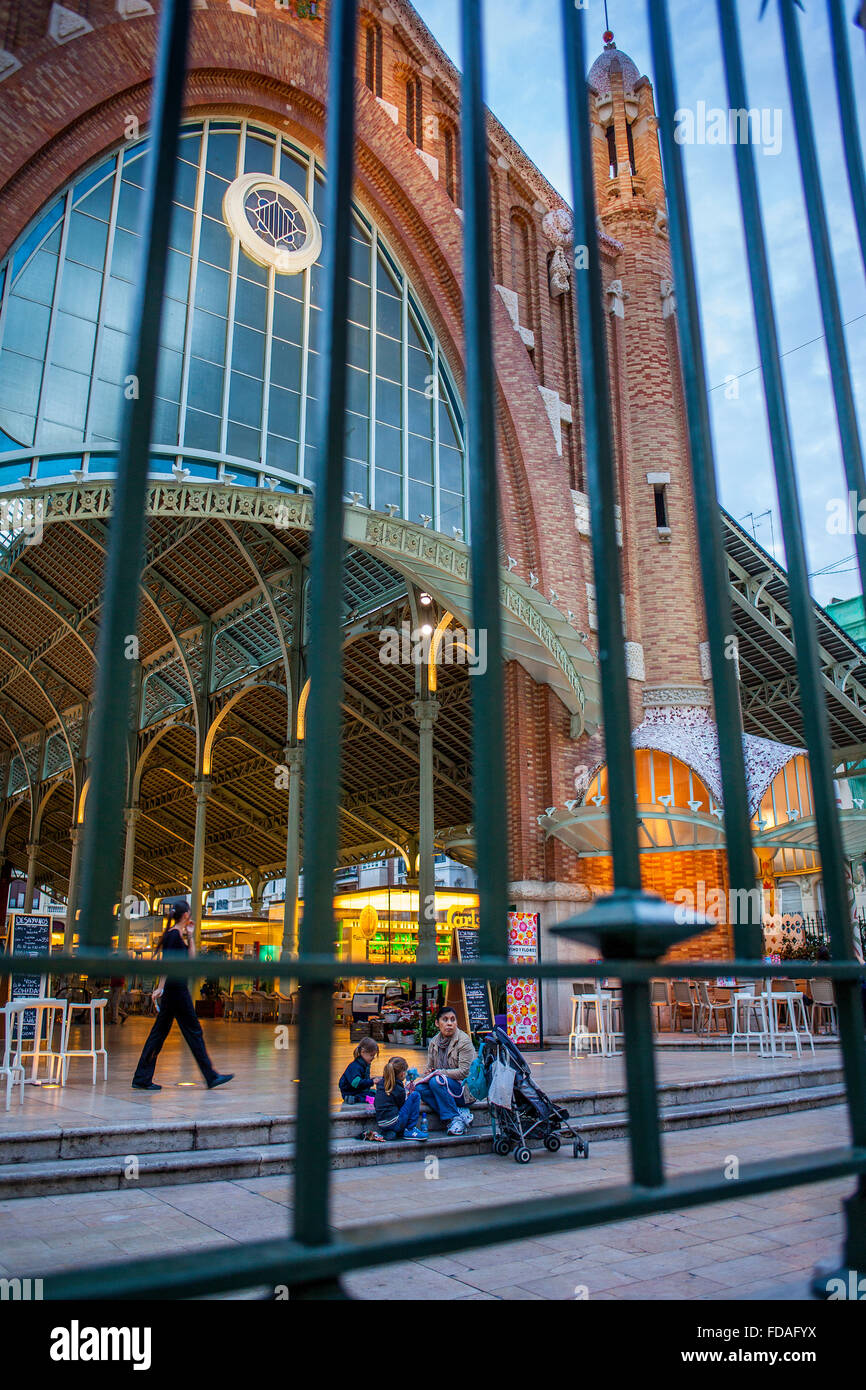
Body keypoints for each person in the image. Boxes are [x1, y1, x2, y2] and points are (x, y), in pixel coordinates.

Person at [131, 903, 233, 1092]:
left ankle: (142, 1077)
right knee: (193, 1032)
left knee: (159, 1035)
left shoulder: (177, 935)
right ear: (186, 914)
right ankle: (210, 1076)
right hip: (176, 990)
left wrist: (191, 935)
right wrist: (160, 988)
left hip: (174, 991)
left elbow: (190, 960)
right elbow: (167, 965)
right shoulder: (172, 936)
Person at [415, 1005, 476, 1136]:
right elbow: (429, 1068)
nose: (449, 1023)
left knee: (436, 1081)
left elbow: (464, 1072)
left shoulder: (463, 1041)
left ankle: (453, 1118)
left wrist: (439, 1073)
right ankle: (458, 1113)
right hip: (443, 1085)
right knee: (419, 1089)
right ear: (437, 1023)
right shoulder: (434, 1042)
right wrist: (429, 1072)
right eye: (445, 1020)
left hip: (464, 1089)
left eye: (453, 1020)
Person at [372, 1056, 427, 1141]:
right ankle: (410, 1129)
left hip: (382, 1123)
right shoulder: (398, 1087)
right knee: (415, 1095)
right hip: (395, 1123)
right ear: (402, 1074)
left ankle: (390, 1132)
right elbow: (402, 1105)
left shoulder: (381, 1084)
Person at [338, 1038, 379, 1104]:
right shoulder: (356, 1066)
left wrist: (372, 1080)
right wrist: (371, 1082)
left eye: (374, 1055)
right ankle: (354, 1098)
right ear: (362, 1052)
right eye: (371, 1055)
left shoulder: (363, 1064)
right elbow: (356, 1083)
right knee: (371, 1096)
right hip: (350, 1092)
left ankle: (361, 1097)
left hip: (356, 1090)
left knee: (375, 1092)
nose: (373, 1057)